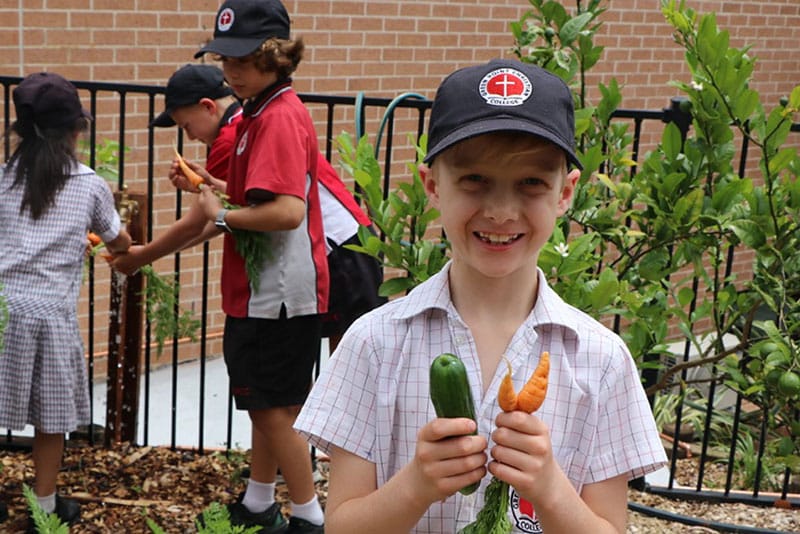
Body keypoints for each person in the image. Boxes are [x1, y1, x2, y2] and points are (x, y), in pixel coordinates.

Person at [294, 58, 668, 533]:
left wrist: (551, 490)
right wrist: (416, 485)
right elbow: (341, 527)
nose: (500, 210)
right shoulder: (373, 343)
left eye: (531, 183)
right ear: (433, 185)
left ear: (565, 193)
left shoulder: (602, 360)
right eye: (474, 180)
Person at [114, 64, 385, 354]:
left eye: (186, 127)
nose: (190, 137)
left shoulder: (231, 138)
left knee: (349, 366)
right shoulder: (246, 123)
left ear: (208, 107)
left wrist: (143, 256)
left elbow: (201, 223)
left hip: (339, 248)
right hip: (351, 241)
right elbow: (230, 212)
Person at [190, 1, 331, 532]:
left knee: (273, 409)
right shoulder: (260, 111)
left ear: (275, 57)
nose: (230, 71)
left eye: (243, 60)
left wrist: (221, 215)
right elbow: (268, 193)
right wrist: (217, 192)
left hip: (276, 294)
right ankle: (257, 503)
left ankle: (310, 518)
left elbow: (288, 211)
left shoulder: (275, 116)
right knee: (267, 406)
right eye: (224, 59)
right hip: (270, 291)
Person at [0, 72, 132, 529]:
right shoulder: (88, 183)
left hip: (2, 312)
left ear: (21, 132)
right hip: (50, 317)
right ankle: (45, 507)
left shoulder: (2, 180)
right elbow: (120, 241)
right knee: (50, 419)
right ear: (77, 131)